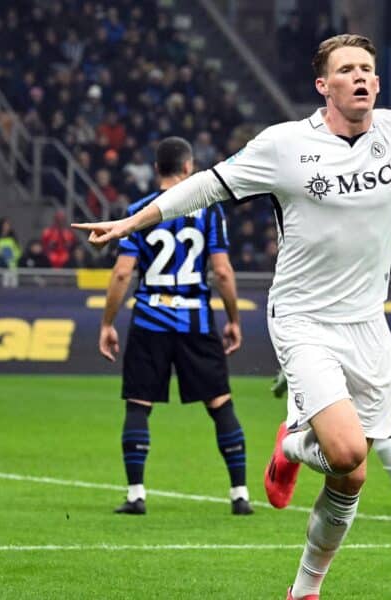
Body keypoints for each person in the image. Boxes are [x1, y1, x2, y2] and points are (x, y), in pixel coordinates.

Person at [73, 3, 391, 597]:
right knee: (343, 449)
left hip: (367, 326)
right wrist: (134, 223)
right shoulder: (285, 145)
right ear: (324, 85)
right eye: (348, 69)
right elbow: (207, 183)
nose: (362, 76)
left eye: (368, 68)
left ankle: (304, 587)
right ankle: (292, 445)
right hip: (304, 319)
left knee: (352, 473)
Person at [96, 137, 248, 515]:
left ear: (157, 168)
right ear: (187, 167)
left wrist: (107, 324)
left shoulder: (136, 211)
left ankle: (135, 495)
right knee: (220, 403)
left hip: (150, 319)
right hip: (196, 319)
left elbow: (121, 275)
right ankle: (240, 495)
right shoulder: (209, 212)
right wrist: (232, 319)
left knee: (138, 403)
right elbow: (223, 272)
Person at [270, 198, 391, 519]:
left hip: (362, 328)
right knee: (346, 441)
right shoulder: (319, 198)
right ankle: (292, 444)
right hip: (311, 324)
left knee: (377, 418)